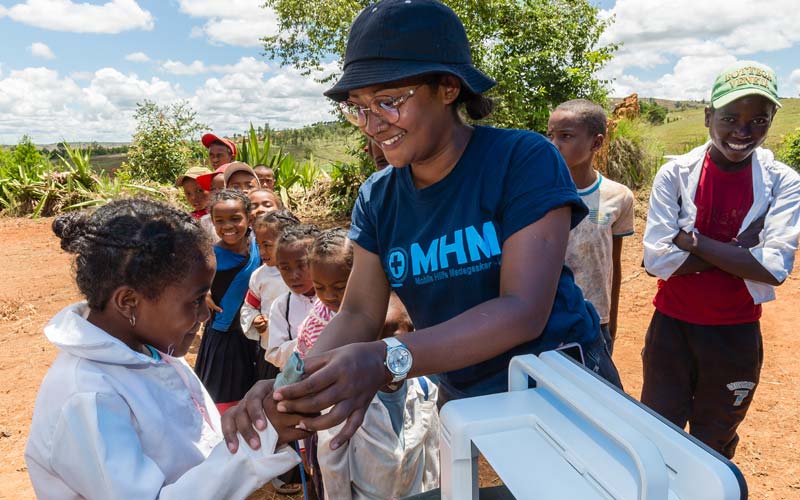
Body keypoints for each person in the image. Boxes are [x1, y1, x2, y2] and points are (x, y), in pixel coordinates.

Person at [221, 0, 620, 455]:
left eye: (388, 102)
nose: (372, 125)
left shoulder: (521, 160)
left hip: (561, 389)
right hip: (467, 400)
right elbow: (359, 314)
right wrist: (292, 383)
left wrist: (386, 359)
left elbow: (523, 309)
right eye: (359, 107)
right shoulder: (379, 197)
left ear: (448, 87)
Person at [25, 199, 308, 500]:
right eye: (196, 300)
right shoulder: (89, 397)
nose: (205, 315)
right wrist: (258, 444)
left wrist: (253, 425)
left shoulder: (149, 348)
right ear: (128, 302)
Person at [641, 61, 800, 458]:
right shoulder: (675, 175)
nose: (743, 132)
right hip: (672, 328)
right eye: (730, 118)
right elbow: (657, 261)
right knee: (658, 431)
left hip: (735, 333)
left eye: (758, 121)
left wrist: (692, 242)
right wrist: (739, 250)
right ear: (708, 116)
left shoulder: (783, 182)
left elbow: (774, 269)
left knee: (714, 440)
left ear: (771, 120)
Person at [317, 292, 438, 500]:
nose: (378, 350)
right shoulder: (341, 399)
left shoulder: (426, 389)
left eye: (391, 337)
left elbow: (432, 458)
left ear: (412, 334)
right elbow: (333, 468)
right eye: (372, 338)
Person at [547, 99, 635, 354]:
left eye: (565, 136)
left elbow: (612, 264)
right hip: (548, 316)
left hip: (595, 318)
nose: (554, 144)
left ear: (596, 143)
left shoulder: (618, 196)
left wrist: (611, 322)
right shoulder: (538, 193)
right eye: (550, 135)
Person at [194, 190, 262, 413]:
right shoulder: (210, 256)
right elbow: (186, 283)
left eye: (235, 218)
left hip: (257, 334)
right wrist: (202, 292)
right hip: (224, 340)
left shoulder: (260, 247)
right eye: (220, 221)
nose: (228, 226)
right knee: (225, 402)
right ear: (212, 223)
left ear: (249, 218)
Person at [240, 210, 299, 380]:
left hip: (302, 350)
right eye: (259, 245)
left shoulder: (304, 273)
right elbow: (249, 307)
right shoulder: (259, 276)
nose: (262, 251)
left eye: (267, 245)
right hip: (271, 352)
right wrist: (255, 319)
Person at [266, 224, 319, 370]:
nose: (294, 275)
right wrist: (307, 340)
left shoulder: (335, 299)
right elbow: (274, 354)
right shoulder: (282, 306)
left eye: (302, 265)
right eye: (285, 268)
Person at [295, 228, 353, 358]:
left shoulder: (377, 314)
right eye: (319, 287)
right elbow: (302, 360)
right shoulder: (313, 324)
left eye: (340, 287)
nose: (328, 296)